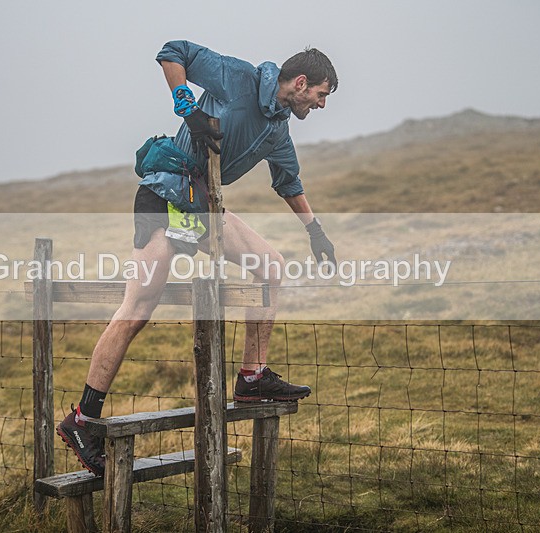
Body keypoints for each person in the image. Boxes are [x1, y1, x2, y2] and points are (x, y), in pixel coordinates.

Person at [57, 40, 338, 476]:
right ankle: (82, 419)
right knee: (139, 306)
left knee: (271, 266)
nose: (321, 105)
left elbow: (289, 182)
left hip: (205, 206)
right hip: (167, 192)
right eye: (321, 95)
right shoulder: (239, 78)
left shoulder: (278, 129)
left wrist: (314, 230)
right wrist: (187, 107)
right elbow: (173, 52)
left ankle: (251, 377)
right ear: (301, 83)